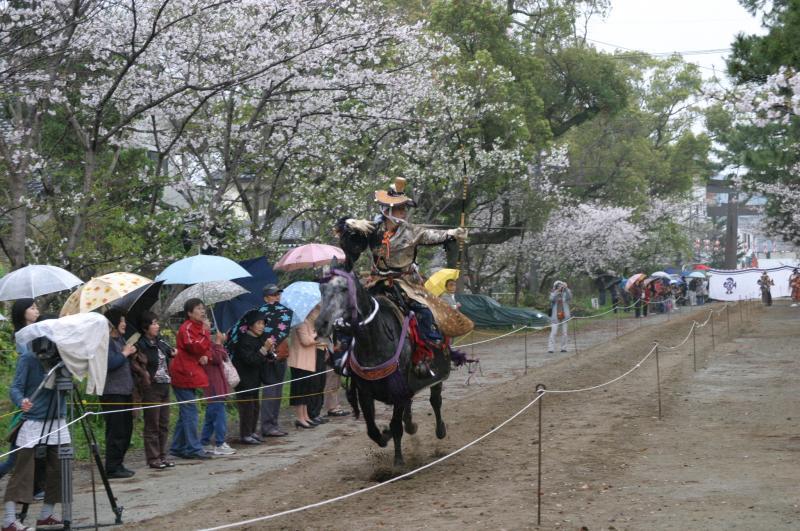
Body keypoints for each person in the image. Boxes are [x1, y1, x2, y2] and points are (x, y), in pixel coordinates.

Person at [336, 177, 469, 376]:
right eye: (400, 209)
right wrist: (349, 222)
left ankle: (426, 355)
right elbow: (347, 238)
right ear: (387, 211)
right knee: (350, 308)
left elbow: (432, 236)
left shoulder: (412, 231)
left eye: (404, 208)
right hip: (377, 280)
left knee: (424, 311)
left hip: (405, 282)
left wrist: (452, 233)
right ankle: (345, 354)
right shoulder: (373, 229)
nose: (404, 212)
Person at [3, 303, 65, 531]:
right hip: (34, 420)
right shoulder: (29, 358)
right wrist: (22, 402)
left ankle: (47, 514)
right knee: (24, 470)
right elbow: (15, 388)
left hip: (58, 418)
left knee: (59, 468)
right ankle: (9, 519)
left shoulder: (62, 357)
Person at [169, 299, 214, 460]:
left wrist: (205, 356)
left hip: (193, 373)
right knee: (191, 413)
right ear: (189, 313)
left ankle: (177, 447)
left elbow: (206, 348)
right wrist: (205, 332)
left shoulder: (201, 327)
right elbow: (193, 346)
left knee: (186, 413)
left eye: (203, 308)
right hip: (183, 374)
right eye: (198, 309)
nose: (202, 311)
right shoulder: (186, 328)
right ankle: (193, 448)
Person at [134, 311, 175, 469]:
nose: (157, 326)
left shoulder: (161, 342)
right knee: (152, 423)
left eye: (157, 323)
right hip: (151, 387)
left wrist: (172, 353)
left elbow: (169, 353)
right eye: (154, 323)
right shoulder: (141, 345)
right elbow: (141, 365)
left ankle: (163, 455)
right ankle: (153, 457)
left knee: (164, 423)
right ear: (145, 327)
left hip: (165, 385)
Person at [101, 308, 136, 479]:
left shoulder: (121, 339)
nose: (124, 324)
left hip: (125, 390)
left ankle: (119, 463)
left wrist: (129, 352)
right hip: (112, 392)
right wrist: (124, 353)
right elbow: (109, 363)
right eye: (121, 320)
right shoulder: (105, 341)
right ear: (114, 322)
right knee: (116, 430)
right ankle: (112, 467)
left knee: (127, 429)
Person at [232, 310, 273, 444]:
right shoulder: (244, 340)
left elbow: (264, 358)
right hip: (244, 380)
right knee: (246, 408)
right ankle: (245, 434)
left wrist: (270, 351)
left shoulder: (259, 338)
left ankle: (252, 431)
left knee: (255, 406)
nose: (261, 326)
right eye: (258, 323)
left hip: (255, 379)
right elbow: (251, 360)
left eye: (263, 323)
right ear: (250, 325)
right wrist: (264, 349)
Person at [258, 284, 292, 439]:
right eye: (273, 295)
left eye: (278, 294)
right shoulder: (260, 314)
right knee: (270, 391)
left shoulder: (284, 312)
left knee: (277, 391)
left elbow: (283, 333)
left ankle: (274, 423)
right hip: (268, 357)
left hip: (281, 356)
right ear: (266, 298)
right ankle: (267, 426)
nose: (277, 297)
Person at [200, 317, 235, 456]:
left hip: (218, 379)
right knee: (219, 412)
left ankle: (204, 441)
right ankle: (220, 443)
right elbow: (215, 358)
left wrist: (219, 343)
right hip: (212, 381)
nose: (210, 322)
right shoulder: (202, 341)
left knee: (211, 413)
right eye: (206, 320)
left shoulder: (209, 339)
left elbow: (223, 355)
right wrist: (219, 343)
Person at [287, 309, 319, 429]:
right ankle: (300, 418)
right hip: (299, 362)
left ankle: (305, 416)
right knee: (299, 391)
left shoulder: (308, 323)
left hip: (307, 362)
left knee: (306, 390)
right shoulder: (300, 323)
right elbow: (306, 341)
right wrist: (317, 334)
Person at [547, 281, 572, 353]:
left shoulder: (566, 292)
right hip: (555, 316)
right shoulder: (553, 293)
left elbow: (570, 297)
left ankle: (564, 348)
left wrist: (566, 288)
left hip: (564, 315)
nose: (560, 287)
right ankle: (551, 348)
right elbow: (551, 299)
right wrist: (556, 292)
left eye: (561, 286)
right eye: (558, 286)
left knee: (564, 333)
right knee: (553, 332)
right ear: (555, 286)